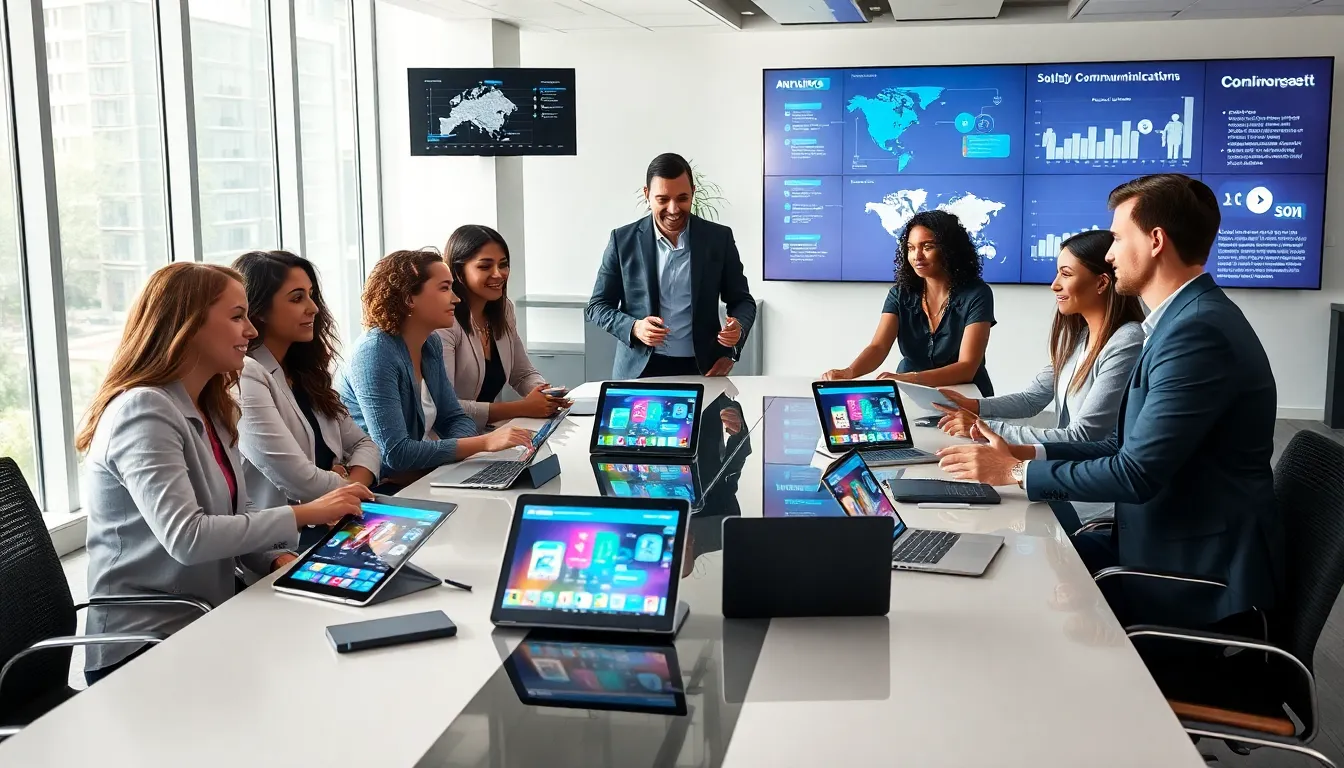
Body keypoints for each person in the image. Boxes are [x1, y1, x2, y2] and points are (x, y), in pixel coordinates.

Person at [937, 174, 1283, 630]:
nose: (1111, 253)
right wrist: (1020, 453)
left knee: (1014, 605)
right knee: (1005, 569)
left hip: (1195, 580)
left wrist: (1016, 473)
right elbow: (1122, 446)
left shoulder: (1196, 332)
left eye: (1118, 238)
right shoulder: (1180, 322)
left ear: (1156, 240)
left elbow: (1135, 474)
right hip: (1155, 544)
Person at [77, 263, 372, 685]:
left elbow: (236, 512)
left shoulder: (212, 405)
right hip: (142, 645)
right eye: (237, 317)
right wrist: (305, 513)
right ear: (188, 326)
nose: (251, 331)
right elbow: (189, 537)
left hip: (202, 620)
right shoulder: (142, 410)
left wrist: (279, 558)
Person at [934, 230, 1144, 523]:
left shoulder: (1127, 340)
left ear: (1101, 282)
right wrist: (974, 407)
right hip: (1059, 489)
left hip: (1091, 506)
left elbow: (1083, 436)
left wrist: (986, 428)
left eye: (1065, 274)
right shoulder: (1079, 337)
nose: (1054, 285)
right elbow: (1033, 398)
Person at [338, 248, 532, 484]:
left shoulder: (430, 343)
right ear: (409, 298)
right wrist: (484, 443)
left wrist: (451, 461)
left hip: (420, 476)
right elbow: (395, 454)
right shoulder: (375, 352)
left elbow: (456, 419)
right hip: (375, 487)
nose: (456, 298)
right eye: (444, 288)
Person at [233, 250, 381, 548]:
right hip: (286, 543)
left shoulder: (305, 372)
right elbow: (299, 480)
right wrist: (343, 491)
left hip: (338, 519)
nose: (313, 308)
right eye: (297, 298)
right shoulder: (247, 375)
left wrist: (346, 492)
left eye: (311, 295)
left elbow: (365, 444)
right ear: (259, 309)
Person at [586, 152, 756, 379]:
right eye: (663, 199)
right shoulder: (622, 241)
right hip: (639, 371)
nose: (674, 209)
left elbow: (742, 301)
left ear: (693, 193)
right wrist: (634, 327)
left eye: (682, 198)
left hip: (703, 369)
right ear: (647, 195)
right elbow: (597, 306)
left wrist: (735, 340)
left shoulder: (718, 239)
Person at [822, 210, 997, 395]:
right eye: (911, 248)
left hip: (965, 395)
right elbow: (878, 347)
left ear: (950, 249)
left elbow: (967, 368)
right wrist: (850, 372)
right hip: (910, 392)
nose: (917, 256)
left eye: (927, 247)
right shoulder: (899, 293)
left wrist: (911, 378)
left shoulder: (978, 294)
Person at [438, 224, 570, 428]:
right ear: (458, 270)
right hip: (450, 441)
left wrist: (547, 396)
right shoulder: (445, 321)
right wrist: (523, 407)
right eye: (485, 266)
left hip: (487, 433)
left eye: (503, 264)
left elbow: (522, 373)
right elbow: (445, 407)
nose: (498, 274)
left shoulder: (503, 310)